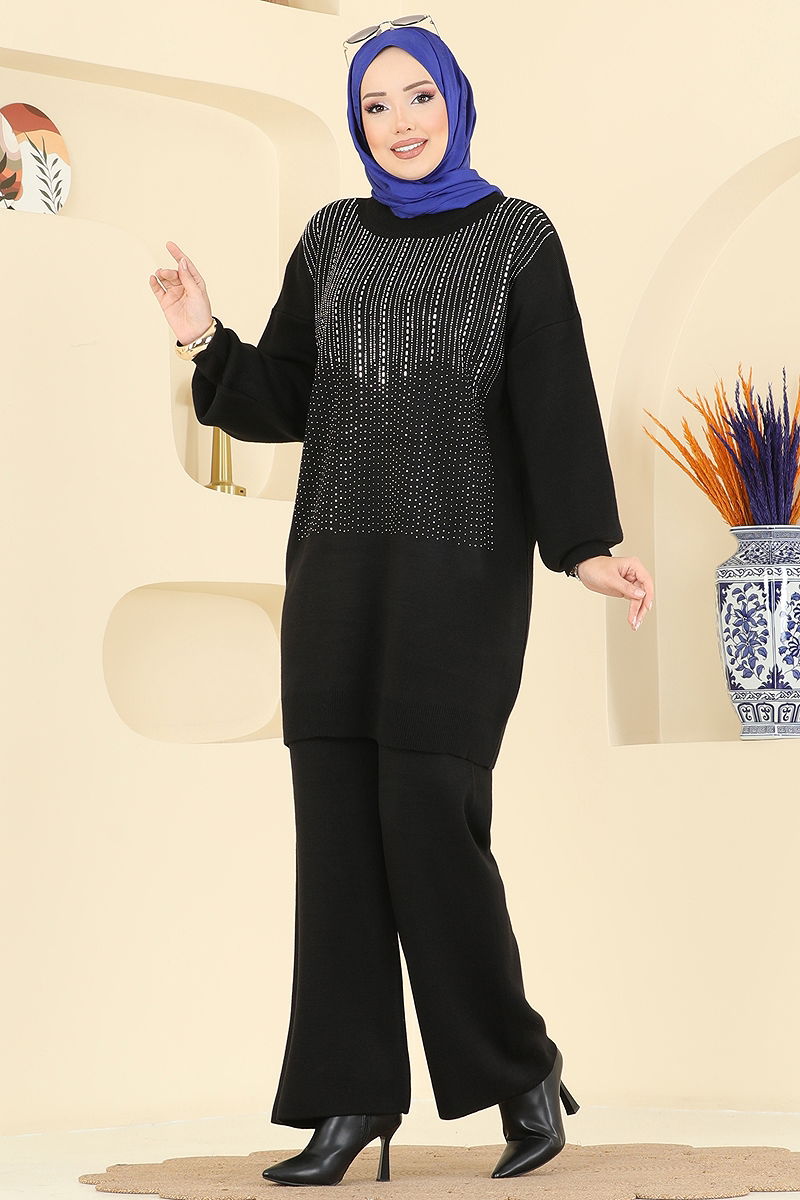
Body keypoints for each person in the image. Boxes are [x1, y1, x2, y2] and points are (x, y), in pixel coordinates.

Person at [148, 16, 654, 1188]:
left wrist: (587, 549)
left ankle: (521, 1073)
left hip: (457, 587)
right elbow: (284, 397)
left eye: (416, 96)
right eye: (374, 106)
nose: (399, 122)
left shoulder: (518, 240)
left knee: (432, 834)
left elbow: (552, 405)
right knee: (335, 845)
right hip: (334, 582)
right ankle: (348, 1100)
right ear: (357, 124)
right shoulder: (332, 238)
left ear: (454, 101)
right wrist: (201, 338)